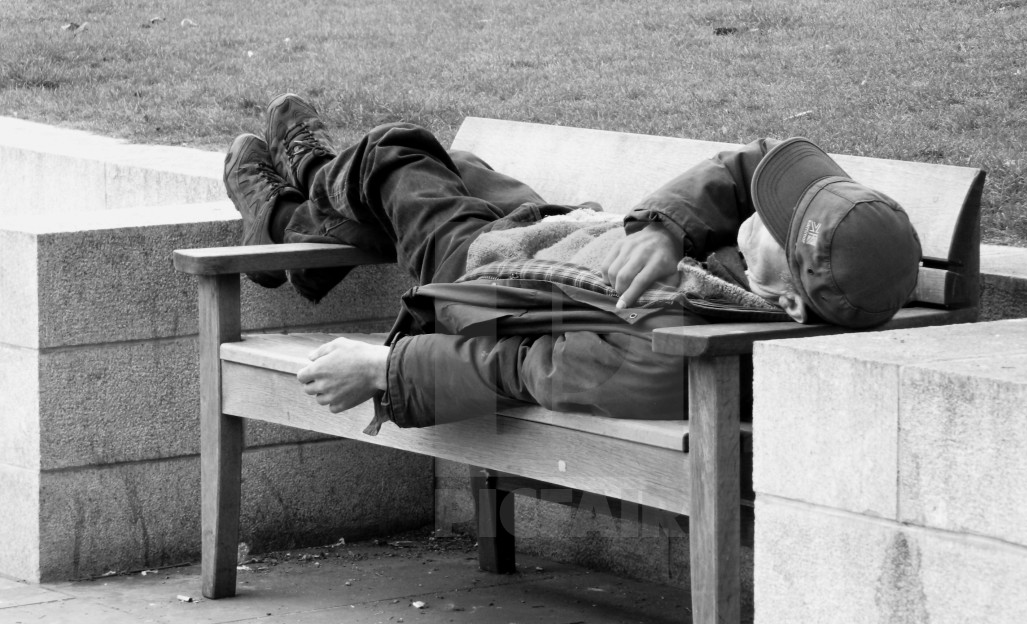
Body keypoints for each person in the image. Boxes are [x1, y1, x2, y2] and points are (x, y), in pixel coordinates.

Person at [223, 94, 922, 433]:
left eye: (780, 219)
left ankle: (290, 197)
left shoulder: (669, 347)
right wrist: (665, 227)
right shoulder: (776, 279)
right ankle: (294, 220)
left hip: (482, 277)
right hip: (552, 237)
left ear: (792, 302)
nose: (767, 205)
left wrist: (383, 370)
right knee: (457, 168)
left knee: (394, 153)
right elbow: (758, 162)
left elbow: (526, 367)